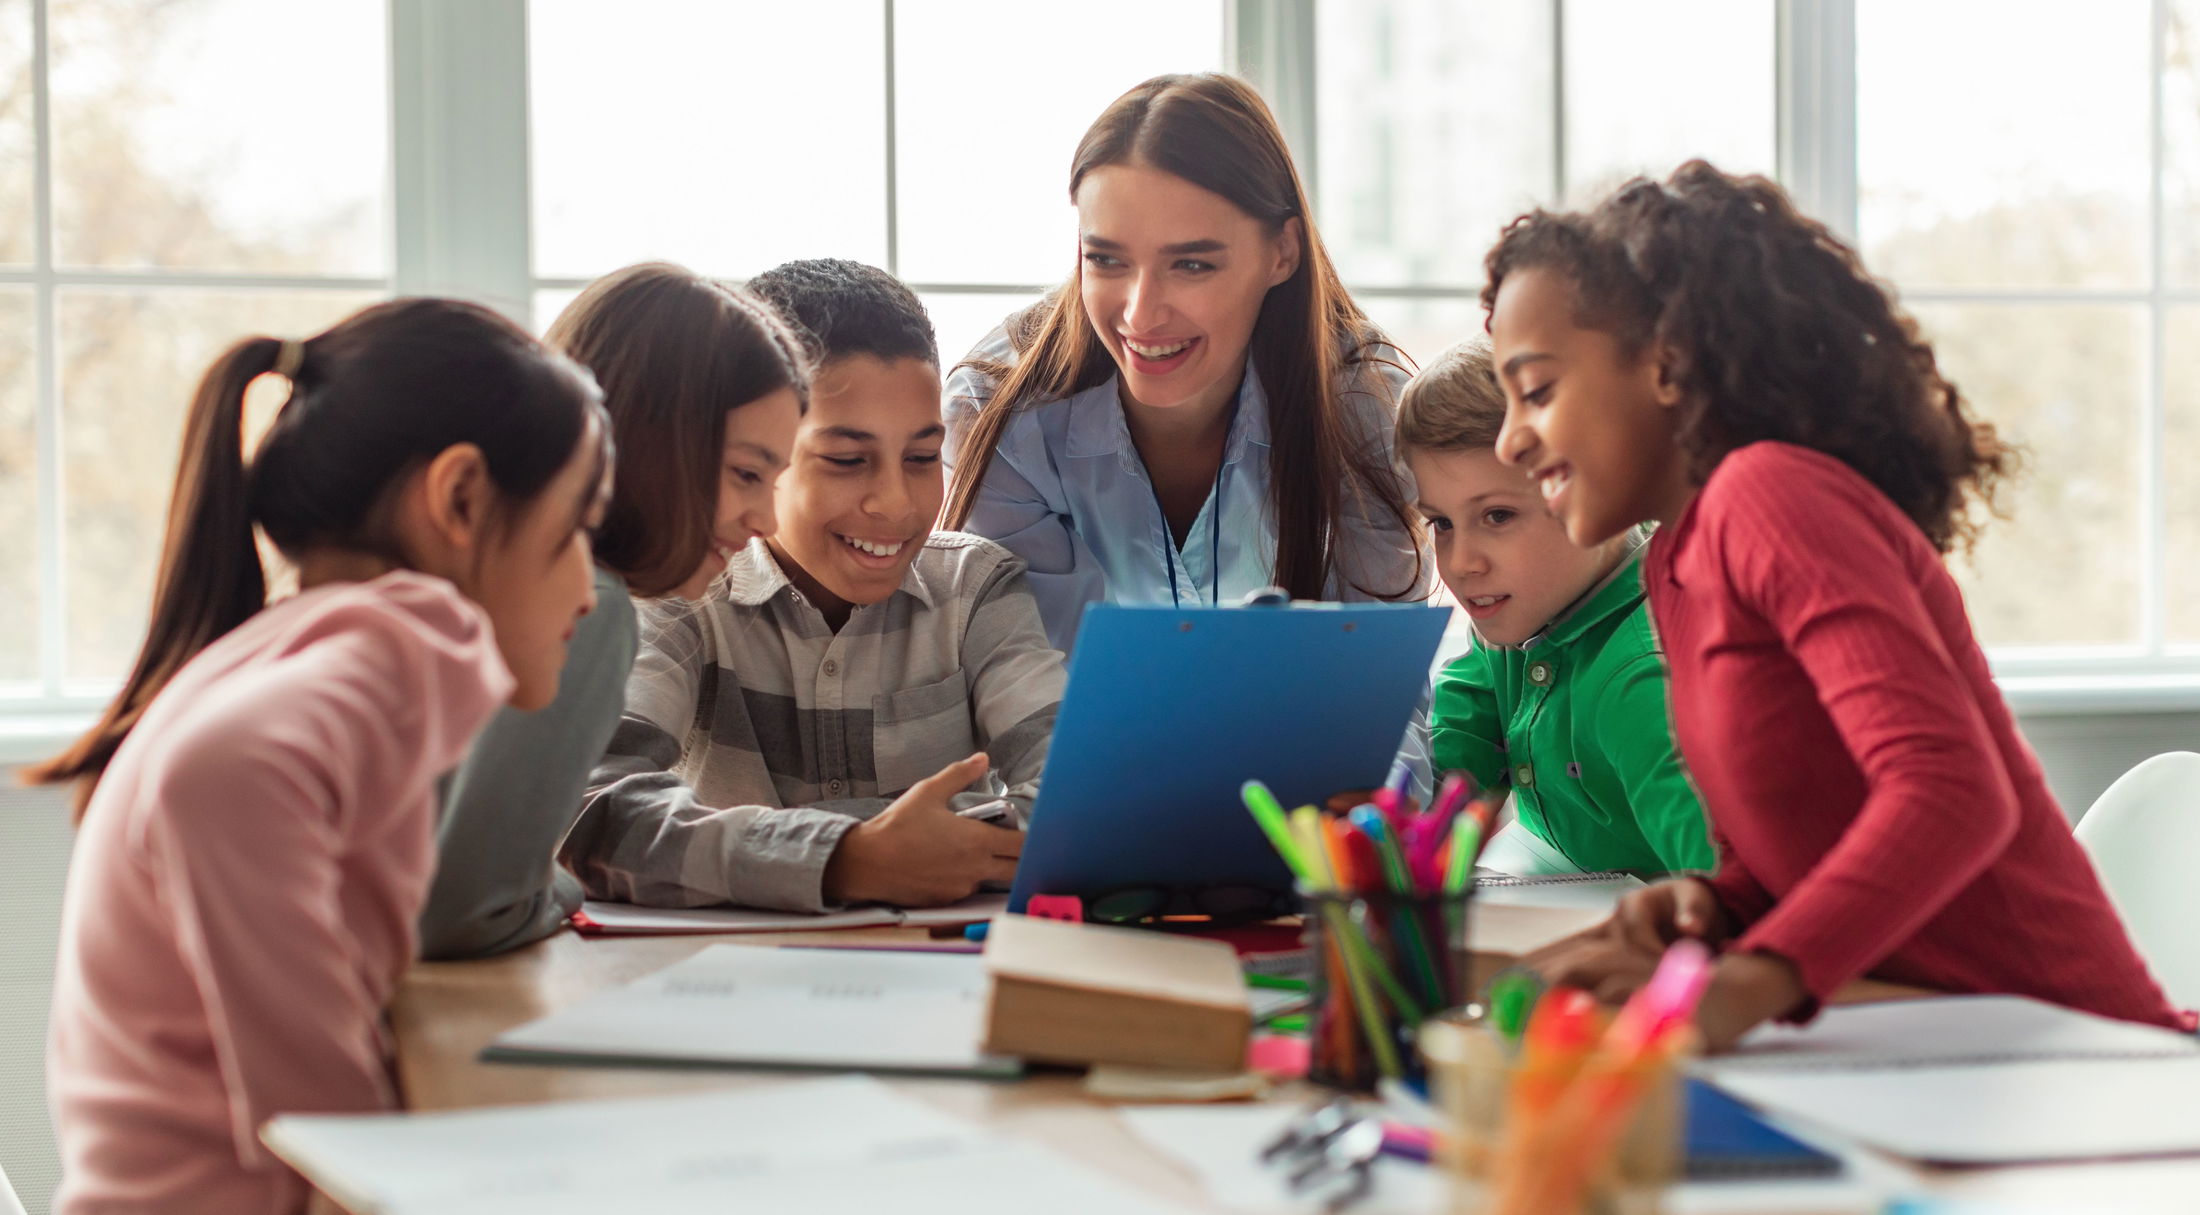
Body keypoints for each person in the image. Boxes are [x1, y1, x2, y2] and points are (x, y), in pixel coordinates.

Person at [1487, 161, 2183, 1046]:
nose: (1512, 438)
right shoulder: (1675, 562)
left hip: (2079, 1055)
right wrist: (1712, 907)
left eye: (1538, 389)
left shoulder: (1770, 497)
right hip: (1931, 1047)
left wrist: (1751, 982)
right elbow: (1791, 851)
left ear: (1664, 361)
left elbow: (1951, 791)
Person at [31, 299, 610, 1213]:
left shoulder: (314, 641)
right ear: (460, 500)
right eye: (577, 526)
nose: (589, 583)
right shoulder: (378, 651)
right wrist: (353, 1154)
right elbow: (219, 773)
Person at [572, 259, 1064, 911]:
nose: (894, 502)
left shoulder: (976, 587)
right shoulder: (683, 591)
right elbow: (595, 811)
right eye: (846, 460)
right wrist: (848, 859)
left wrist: (759, 851)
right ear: (765, 451)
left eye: (922, 458)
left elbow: (1071, 805)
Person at [943, 73, 1430, 654]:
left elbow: (1375, 695)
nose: (1141, 315)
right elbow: (1035, 692)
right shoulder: (998, 412)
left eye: (1192, 266)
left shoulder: (1362, 407)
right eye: (1105, 259)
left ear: (1282, 252)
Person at [418, 262, 809, 958]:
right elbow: (466, 911)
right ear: (650, 441)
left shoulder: (479, 576)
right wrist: (562, 887)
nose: (767, 520)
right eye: (746, 474)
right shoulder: (584, 607)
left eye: (776, 481)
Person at [1402, 339, 1710, 876]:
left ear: (1601, 488)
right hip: (1562, 880)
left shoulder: (1640, 680)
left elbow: (1727, 889)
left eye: (1497, 516)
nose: (1462, 561)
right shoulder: (1523, 615)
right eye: (1442, 524)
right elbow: (1467, 727)